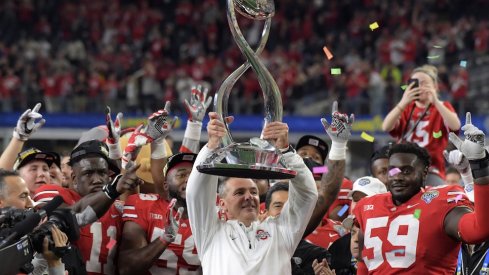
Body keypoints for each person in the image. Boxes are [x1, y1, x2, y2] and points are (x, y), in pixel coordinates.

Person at [353, 114, 489, 274]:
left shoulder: (442, 201)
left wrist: (479, 166)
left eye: (406, 170)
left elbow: (479, 230)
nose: (397, 176)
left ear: (424, 173)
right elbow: (364, 263)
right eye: (393, 170)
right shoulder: (368, 206)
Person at [186, 112, 318, 274]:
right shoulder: (210, 233)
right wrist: (212, 147)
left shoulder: (281, 231)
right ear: (222, 204)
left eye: (253, 192)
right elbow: (195, 193)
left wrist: (286, 152)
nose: (249, 197)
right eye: (239, 192)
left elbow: (307, 195)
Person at [119, 152, 201, 274]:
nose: (189, 179)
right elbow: (126, 268)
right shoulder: (144, 204)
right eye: (182, 175)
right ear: (165, 185)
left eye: (194, 175)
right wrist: (164, 238)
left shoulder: (219, 208)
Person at [382, 64, 461, 186]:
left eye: (424, 83)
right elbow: (386, 126)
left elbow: (455, 126)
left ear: (435, 86)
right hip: (402, 167)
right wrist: (403, 101)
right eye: (415, 83)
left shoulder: (442, 107)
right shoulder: (406, 108)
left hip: (431, 169)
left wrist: (435, 101)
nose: (420, 87)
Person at [264, 182, 333, 275]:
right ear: (266, 213)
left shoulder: (317, 256)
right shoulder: (250, 248)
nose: (285, 211)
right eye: (278, 206)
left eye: (291, 206)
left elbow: (340, 212)